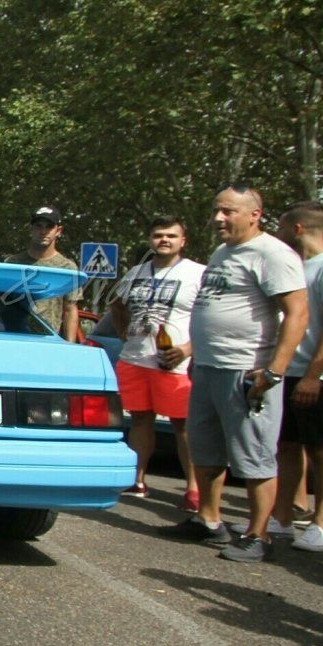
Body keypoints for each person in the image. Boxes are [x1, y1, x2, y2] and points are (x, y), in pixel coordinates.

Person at [168, 184, 308, 562]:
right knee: (207, 448)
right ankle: (210, 520)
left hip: (246, 371)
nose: (218, 218)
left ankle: (257, 535)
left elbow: (297, 313)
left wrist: (274, 371)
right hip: (210, 367)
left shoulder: (273, 254)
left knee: (254, 456)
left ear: (254, 214)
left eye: (228, 211)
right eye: (217, 210)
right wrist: (194, 351)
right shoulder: (223, 251)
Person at [266, 201, 323, 553]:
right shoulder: (300, 268)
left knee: (322, 450)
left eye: (282, 227)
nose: (278, 234)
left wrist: (313, 376)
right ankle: (283, 518)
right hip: (289, 372)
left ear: (297, 228)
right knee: (287, 447)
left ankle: (322, 525)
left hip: (319, 377)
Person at [108, 217, 205, 509]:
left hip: (173, 362)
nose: (164, 240)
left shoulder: (198, 273)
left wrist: (189, 349)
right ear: (150, 239)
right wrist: (124, 332)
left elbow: (213, 319)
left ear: (183, 240)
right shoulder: (136, 273)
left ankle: (194, 489)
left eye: (171, 236)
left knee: (183, 425)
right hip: (135, 358)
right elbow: (116, 304)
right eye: (158, 235)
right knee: (139, 418)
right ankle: (137, 480)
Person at [4, 206, 82, 341]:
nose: (43, 231)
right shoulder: (12, 264)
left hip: (48, 340)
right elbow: (0, 304)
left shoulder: (67, 267)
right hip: (14, 337)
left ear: (58, 231)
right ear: (31, 229)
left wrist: (70, 347)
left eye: (49, 227)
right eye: (38, 226)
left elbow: (70, 309)